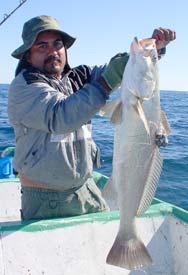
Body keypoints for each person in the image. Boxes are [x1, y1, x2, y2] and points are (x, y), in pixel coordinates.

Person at [8, 15, 176, 220]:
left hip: (88, 190)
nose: (52, 51)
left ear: (65, 49)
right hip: (46, 199)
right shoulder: (24, 86)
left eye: (57, 44)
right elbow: (61, 116)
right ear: (28, 56)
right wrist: (105, 83)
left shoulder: (80, 77)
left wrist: (152, 51)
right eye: (42, 46)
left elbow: (122, 70)